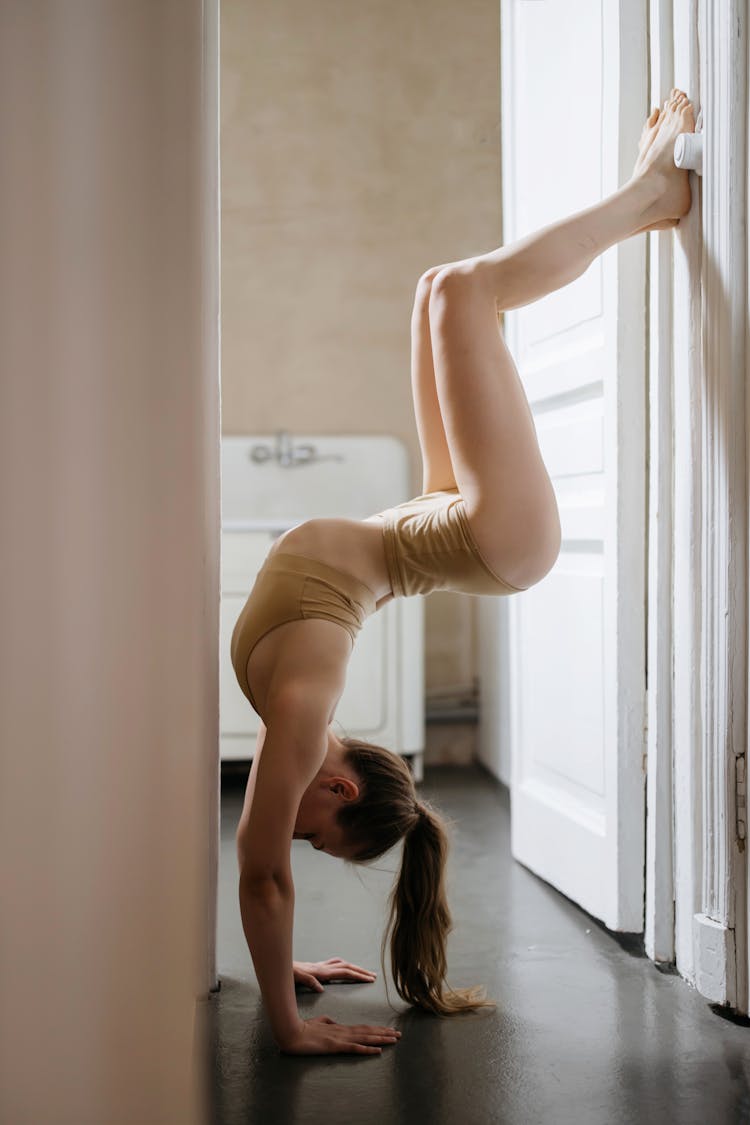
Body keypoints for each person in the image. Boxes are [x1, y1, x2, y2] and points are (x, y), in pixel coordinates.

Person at [230, 91, 697, 1056]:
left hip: (434, 516)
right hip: (488, 537)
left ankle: (649, 199)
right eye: (321, 836)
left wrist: (283, 982)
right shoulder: (307, 707)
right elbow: (261, 870)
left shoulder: (298, 713)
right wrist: (288, 1027)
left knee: (437, 282)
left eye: (308, 842)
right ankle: (651, 198)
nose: (297, 834)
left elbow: (261, 870)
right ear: (346, 792)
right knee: (464, 296)